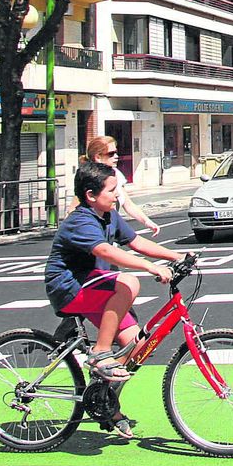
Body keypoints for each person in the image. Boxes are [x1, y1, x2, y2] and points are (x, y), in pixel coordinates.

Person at [45, 161, 183, 385]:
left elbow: (136, 241)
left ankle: (103, 399)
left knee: (137, 344)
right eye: (112, 190)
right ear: (91, 195)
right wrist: (150, 266)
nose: (118, 196)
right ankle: (101, 351)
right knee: (128, 282)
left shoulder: (109, 215)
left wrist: (177, 256)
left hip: (92, 287)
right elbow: (104, 251)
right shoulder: (81, 220)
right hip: (69, 288)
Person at [83, 135, 160, 234]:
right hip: (93, 233)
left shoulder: (116, 174)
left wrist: (147, 221)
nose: (116, 156)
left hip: (110, 231)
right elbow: (74, 209)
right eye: (111, 154)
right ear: (98, 157)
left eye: (116, 152)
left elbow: (128, 204)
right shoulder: (89, 178)